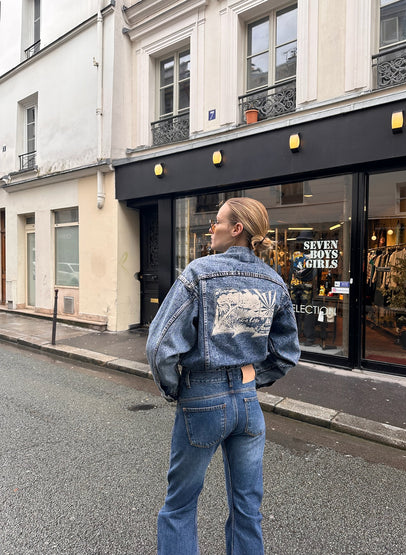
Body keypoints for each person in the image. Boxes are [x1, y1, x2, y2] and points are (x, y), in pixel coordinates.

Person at [146, 197, 300, 555]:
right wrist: (251, 376)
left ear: (237, 229)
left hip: (201, 397)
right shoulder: (273, 281)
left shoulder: (199, 273)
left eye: (217, 222)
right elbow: (287, 352)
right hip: (248, 404)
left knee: (180, 506)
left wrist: (175, 389)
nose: (210, 228)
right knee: (247, 510)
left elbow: (159, 347)